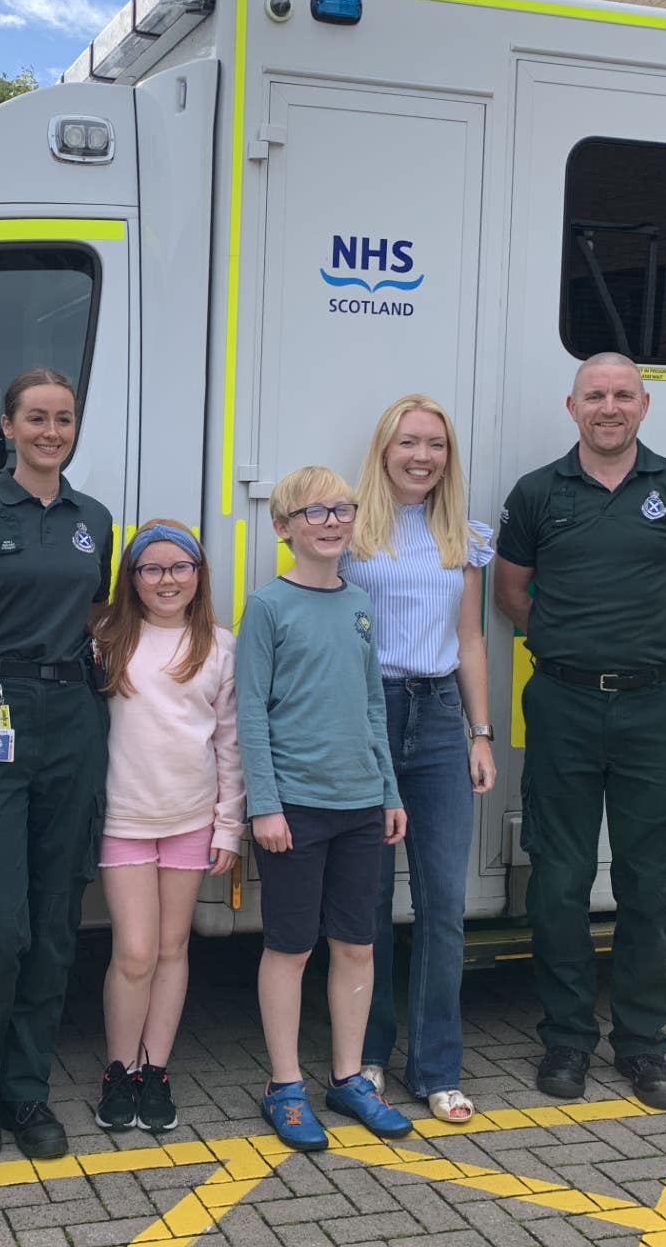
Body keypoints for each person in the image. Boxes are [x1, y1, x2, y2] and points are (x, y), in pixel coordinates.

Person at [492, 352, 666, 1112]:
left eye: (624, 394)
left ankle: (643, 1048)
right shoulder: (535, 494)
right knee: (558, 882)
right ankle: (565, 1040)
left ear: (643, 407)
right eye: (596, 395)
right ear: (572, 407)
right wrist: (573, 648)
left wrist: (645, 649)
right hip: (560, 706)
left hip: (653, 710)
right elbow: (512, 594)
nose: (610, 406)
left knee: (650, 884)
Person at [0, 367, 113, 1161]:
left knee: (53, 925)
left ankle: (26, 1092)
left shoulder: (95, 520)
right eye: (35, 418)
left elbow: (100, 627)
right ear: (6, 427)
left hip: (73, 718)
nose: (50, 431)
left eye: (63, 419)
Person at [236, 465, 412, 1152]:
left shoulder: (361, 603)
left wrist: (389, 792)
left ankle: (347, 1077)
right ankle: (284, 1085)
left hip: (360, 804)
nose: (333, 521)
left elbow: (373, 706)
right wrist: (266, 806)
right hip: (297, 809)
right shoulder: (268, 607)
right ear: (284, 528)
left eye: (342, 509)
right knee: (289, 948)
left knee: (358, 945)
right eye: (315, 512)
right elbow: (250, 712)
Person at [342, 395, 496, 1125]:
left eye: (435, 444)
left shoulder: (461, 538)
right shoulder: (349, 530)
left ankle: (435, 1067)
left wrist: (481, 733)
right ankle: (367, 1054)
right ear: (384, 449)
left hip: (438, 722)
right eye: (409, 442)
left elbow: (469, 639)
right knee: (367, 898)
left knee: (442, 902)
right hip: (368, 716)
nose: (422, 456)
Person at [90, 519, 243, 1136]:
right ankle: (119, 1070)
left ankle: (157, 1070)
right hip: (124, 818)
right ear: (132, 579)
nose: (167, 579)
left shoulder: (220, 647)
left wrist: (229, 827)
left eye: (180, 567)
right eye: (151, 568)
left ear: (198, 575)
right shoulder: (108, 640)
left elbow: (231, 745)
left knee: (173, 949)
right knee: (134, 952)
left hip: (191, 820)